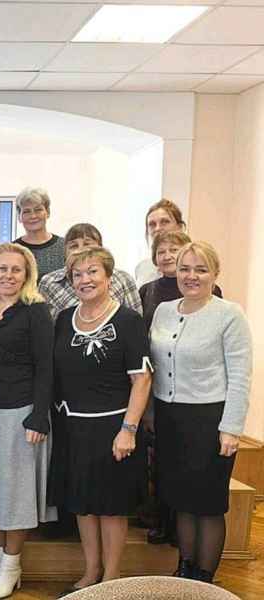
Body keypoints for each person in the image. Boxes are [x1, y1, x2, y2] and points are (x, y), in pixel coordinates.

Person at [48, 246, 152, 595]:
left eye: (92, 272)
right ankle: (91, 571)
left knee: (111, 506)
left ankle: (112, 577)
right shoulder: (64, 318)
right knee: (82, 504)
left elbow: (142, 380)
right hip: (72, 426)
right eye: (77, 274)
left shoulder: (128, 321)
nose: (85, 280)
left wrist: (128, 430)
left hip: (113, 429)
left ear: (109, 277)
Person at [151, 242, 251, 584]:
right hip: (170, 418)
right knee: (181, 500)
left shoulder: (229, 314)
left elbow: (240, 376)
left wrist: (231, 428)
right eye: (184, 269)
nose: (191, 276)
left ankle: (204, 578)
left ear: (215, 274)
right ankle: (185, 568)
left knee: (207, 504)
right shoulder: (163, 310)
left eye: (201, 269)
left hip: (210, 421)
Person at [0, 243, 57, 597]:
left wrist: (39, 416)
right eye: (2, 268)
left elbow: (46, 367)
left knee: (15, 494)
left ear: (27, 275)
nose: (8, 275)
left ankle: (12, 566)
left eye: (16, 269)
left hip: (22, 414)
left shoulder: (36, 311)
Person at [39, 223, 142, 321]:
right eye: (74, 246)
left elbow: (136, 319)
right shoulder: (48, 282)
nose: (80, 249)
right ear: (65, 252)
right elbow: (44, 324)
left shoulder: (123, 278)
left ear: (100, 249)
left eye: (87, 244)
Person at [139, 231, 223, 330]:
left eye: (174, 250)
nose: (167, 257)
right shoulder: (146, 291)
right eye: (161, 252)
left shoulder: (207, 289)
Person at [13, 188, 65, 280]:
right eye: (27, 211)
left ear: (48, 212)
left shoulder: (65, 246)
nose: (33, 216)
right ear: (19, 216)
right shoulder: (13, 249)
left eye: (38, 210)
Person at [135, 199, 186, 287]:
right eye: (152, 224)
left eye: (165, 222)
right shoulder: (143, 268)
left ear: (180, 227)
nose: (157, 228)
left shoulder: (196, 263)